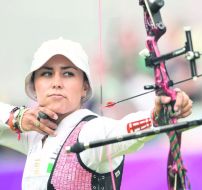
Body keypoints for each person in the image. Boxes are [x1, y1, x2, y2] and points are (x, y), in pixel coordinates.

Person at [0, 38, 192, 190]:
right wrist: (15, 117)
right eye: (47, 74)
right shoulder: (33, 133)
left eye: (68, 74)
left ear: (84, 87)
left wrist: (157, 116)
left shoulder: (91, 131)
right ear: (34, 85)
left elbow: (123, 130)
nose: (56, 82)